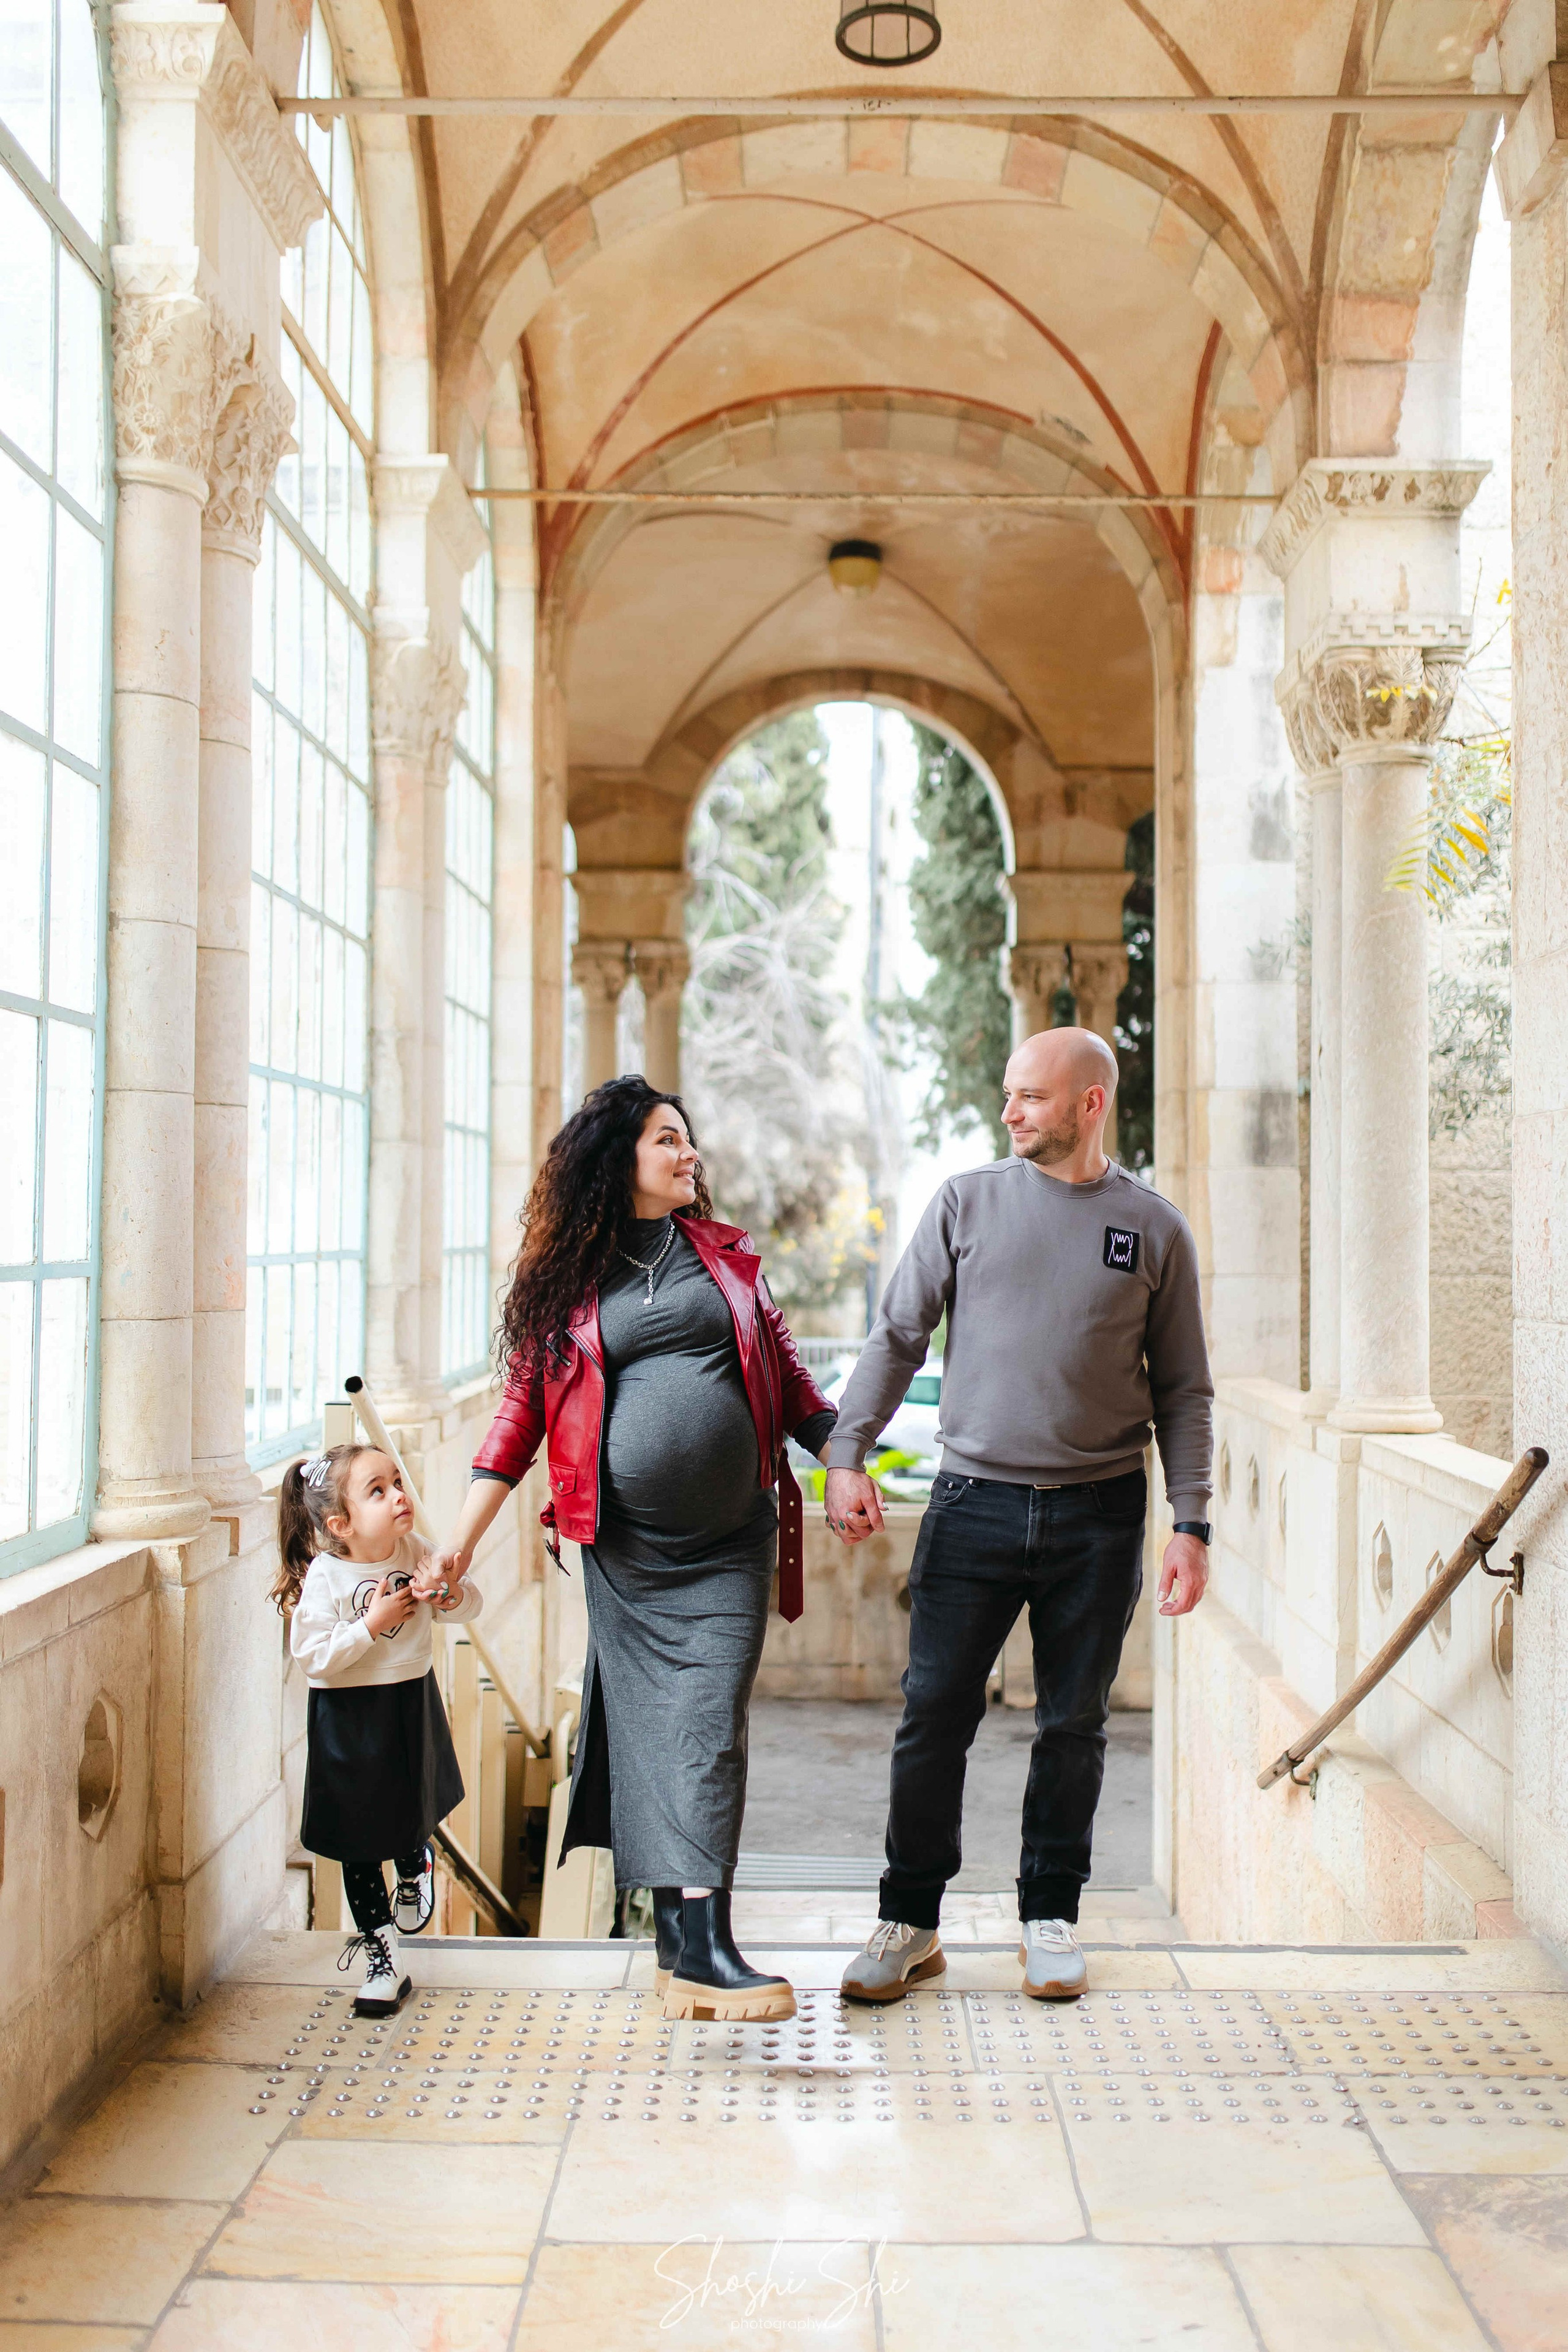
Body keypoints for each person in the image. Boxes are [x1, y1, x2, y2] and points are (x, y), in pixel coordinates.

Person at [437, 1074, 837, 2024]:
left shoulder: (728, 1261)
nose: (687, 1154)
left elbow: (786, 1375)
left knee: (706, 1726)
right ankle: (684, 1947)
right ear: (620, 1159)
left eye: (687, 1140)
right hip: (631, 1553)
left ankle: (702, 1945)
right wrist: (456, 1549)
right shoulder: (569, 1286)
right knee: (668, 1736)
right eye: (667, 1139)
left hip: (731, 1543)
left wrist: (845, 1462)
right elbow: (516, 1423)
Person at [826, 1027, 1213, 2005]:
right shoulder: (967, 1202)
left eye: (1030, 1097)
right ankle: (910, 1920)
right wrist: (845, 1452)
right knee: (932, 1720)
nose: (1010, 1112)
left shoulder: (1154, 1229)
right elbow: (898, 1334)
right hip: (971, 1504)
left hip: (1100, 1515)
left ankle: (1050, 1916)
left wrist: (1192, 1521)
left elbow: (1185, 1392)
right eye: (1008, 1095)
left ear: (1090, 1104)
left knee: (1073, 1726)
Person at [275, 1442, 483, 2016]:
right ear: (341, 1524)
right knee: (355, 1841)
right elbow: (313, 1656)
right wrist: (372, 1624)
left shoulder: (417, 1550)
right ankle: (380, 1955)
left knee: (410, 1805)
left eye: (397, 1482)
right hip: (346, 1719)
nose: (399, 1495)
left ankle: (415, 1864)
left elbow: (469, 1607)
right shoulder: (325, 1575)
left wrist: (449, 1592)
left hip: (408, 1700)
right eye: (379, 1490)